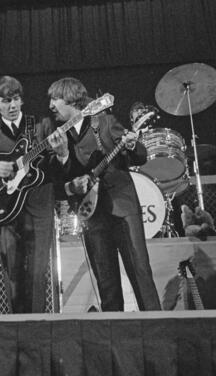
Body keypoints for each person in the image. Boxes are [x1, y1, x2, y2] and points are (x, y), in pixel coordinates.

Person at [49, 77, 161, 312]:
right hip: (92, 215)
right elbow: (60, 184)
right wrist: (62, 157)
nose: (50, 105)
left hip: (122, 209)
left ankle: (156, 330)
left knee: (140, 272)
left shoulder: (105, 122)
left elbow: (140, 155)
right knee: (106, 282)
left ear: (70, 98)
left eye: (55, 98)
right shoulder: (61, 137)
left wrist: (131, 144)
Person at [0, 76, 69, 314]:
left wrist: (62, 154)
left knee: (38, 272)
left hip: (40, 207)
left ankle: (38, 330)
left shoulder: (42, 126)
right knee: (12, 273)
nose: (12, 106)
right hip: (7, 210)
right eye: (6, 101)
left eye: (16, 99)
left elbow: (57, 168)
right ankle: (16, 329)